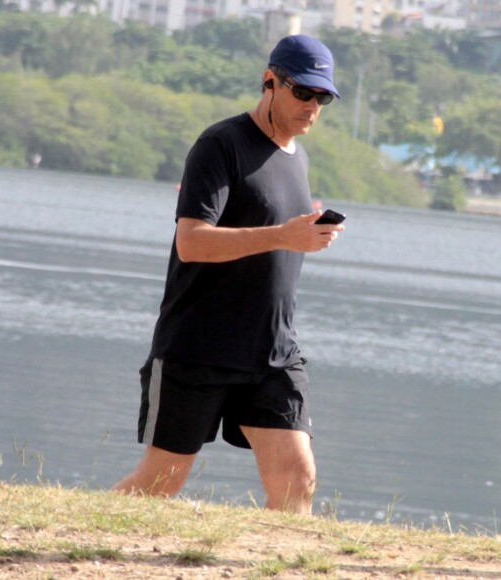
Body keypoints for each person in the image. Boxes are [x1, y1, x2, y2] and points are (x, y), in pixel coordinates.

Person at [112, 34, 345, 514]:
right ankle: (73, 534)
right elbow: (192, 241)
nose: (313, 107)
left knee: (297, 478)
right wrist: (283, 235)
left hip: (273, 352)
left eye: (322, 98)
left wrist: (305, 236)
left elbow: (279, 236)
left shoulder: (297, 158)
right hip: (198, 346)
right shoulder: (220, 145)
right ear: (269, 82)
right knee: (161, 481)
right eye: (303, 93)